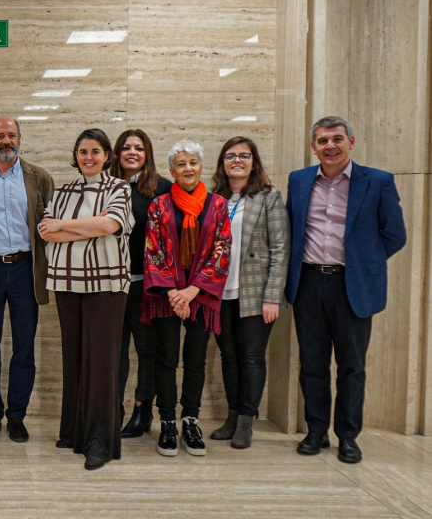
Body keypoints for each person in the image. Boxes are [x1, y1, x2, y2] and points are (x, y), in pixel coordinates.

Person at [287, 116, 406, 464]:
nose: (330, 146)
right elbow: (291, 229)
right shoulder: (299, 180)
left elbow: (395, 234)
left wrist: (362, 263)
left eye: (337, 139)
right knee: (312, 364)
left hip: (353, 286)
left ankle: (348, 436)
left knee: (352, 366)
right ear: (313, 147)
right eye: (323, 141)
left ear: (351, 143)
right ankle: (316, 431)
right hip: (308, 283)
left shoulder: (378, 181)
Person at [39, 129, 132, 470]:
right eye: (82, 151)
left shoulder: (119, 188)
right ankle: (75, 432)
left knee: (101, 364)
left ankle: (99, 442)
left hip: (107, 285)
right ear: (75, 155)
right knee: (74, 358)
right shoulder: (63, 191)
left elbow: (110, 225)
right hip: (66, 283)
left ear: (107, 155)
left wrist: (68, 227)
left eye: (95, 151)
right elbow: (46, 231)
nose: (88, 157)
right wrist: (85, 227)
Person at [0, 116, 54, 443]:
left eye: (11, 135)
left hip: (26, 272)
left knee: (24, 349)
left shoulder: (39, 177)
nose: (6, 140)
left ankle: (17, 416)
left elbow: (51, 228)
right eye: (0, 135)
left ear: (20, 138)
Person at [142, 139, 231, 458]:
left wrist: (193, 291)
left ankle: (190, 421)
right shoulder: (159, 205)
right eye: (181, 164)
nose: (188, 168)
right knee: (165, 360)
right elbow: (153, 250)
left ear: (202, 167)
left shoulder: (218, 205)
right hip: (166, 295)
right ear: (172, 171)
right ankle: (166, 421)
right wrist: (172, 293)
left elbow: (222, 249)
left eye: (193, 162)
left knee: (195, 361)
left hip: (200, 295)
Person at [209, 137, 290, 449]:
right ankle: (232, 416)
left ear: (254, 162)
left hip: (256, 293)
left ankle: (246, 421)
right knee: (229, 357)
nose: (237, 161)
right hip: (219, 292)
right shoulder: (214, 198)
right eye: (230, 156)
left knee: (252, 357)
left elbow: (281, 250)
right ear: (223, 163)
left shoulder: (268, 197)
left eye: (244, 155)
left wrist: (272, 296)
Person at [111, 129, 172, 439]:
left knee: (147, 351)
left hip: (147, 286)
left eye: (138, 148)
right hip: (111, 285)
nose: (131, 152)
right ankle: (113, 410)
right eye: (125, 147)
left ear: (147, 153)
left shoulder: (163, 189)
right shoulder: (106, 188)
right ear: (117, 154)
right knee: (114, 351)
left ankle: (142, 411)